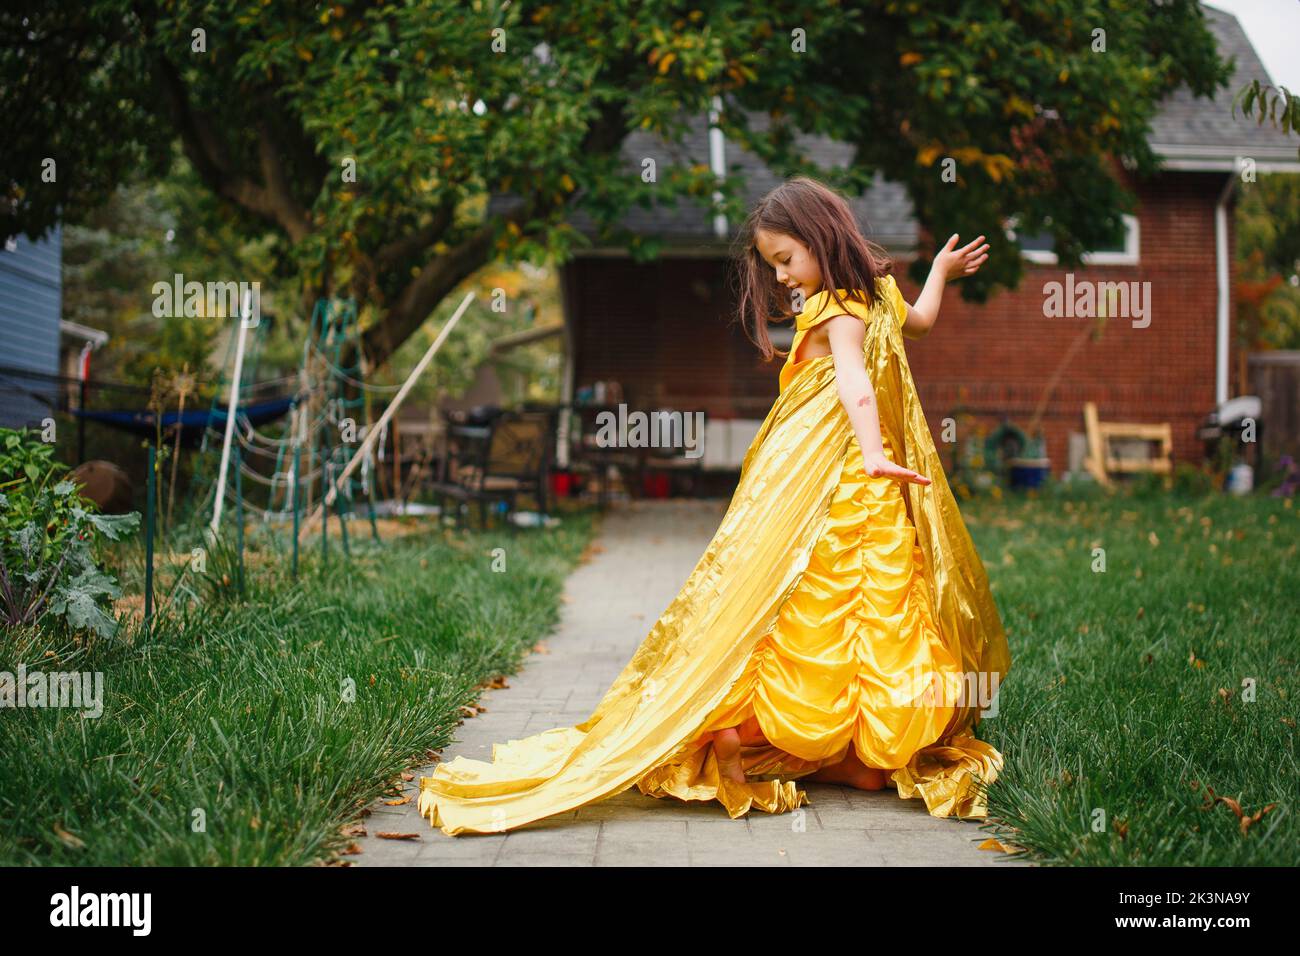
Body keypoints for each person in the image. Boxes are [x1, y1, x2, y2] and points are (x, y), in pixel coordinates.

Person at [419, 176, 1012, 836]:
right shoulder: (843, 304)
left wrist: (938, 272)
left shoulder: (860, 298)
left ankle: (847, 746)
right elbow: (854, 381)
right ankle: (758, 726)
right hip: (828, 473)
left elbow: (915, 328)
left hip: (853, 465)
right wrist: (872, 451)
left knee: (851, 597)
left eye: (786, 259)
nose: (783, 276)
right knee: (827, 595)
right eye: (775, 264)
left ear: (820, 237)